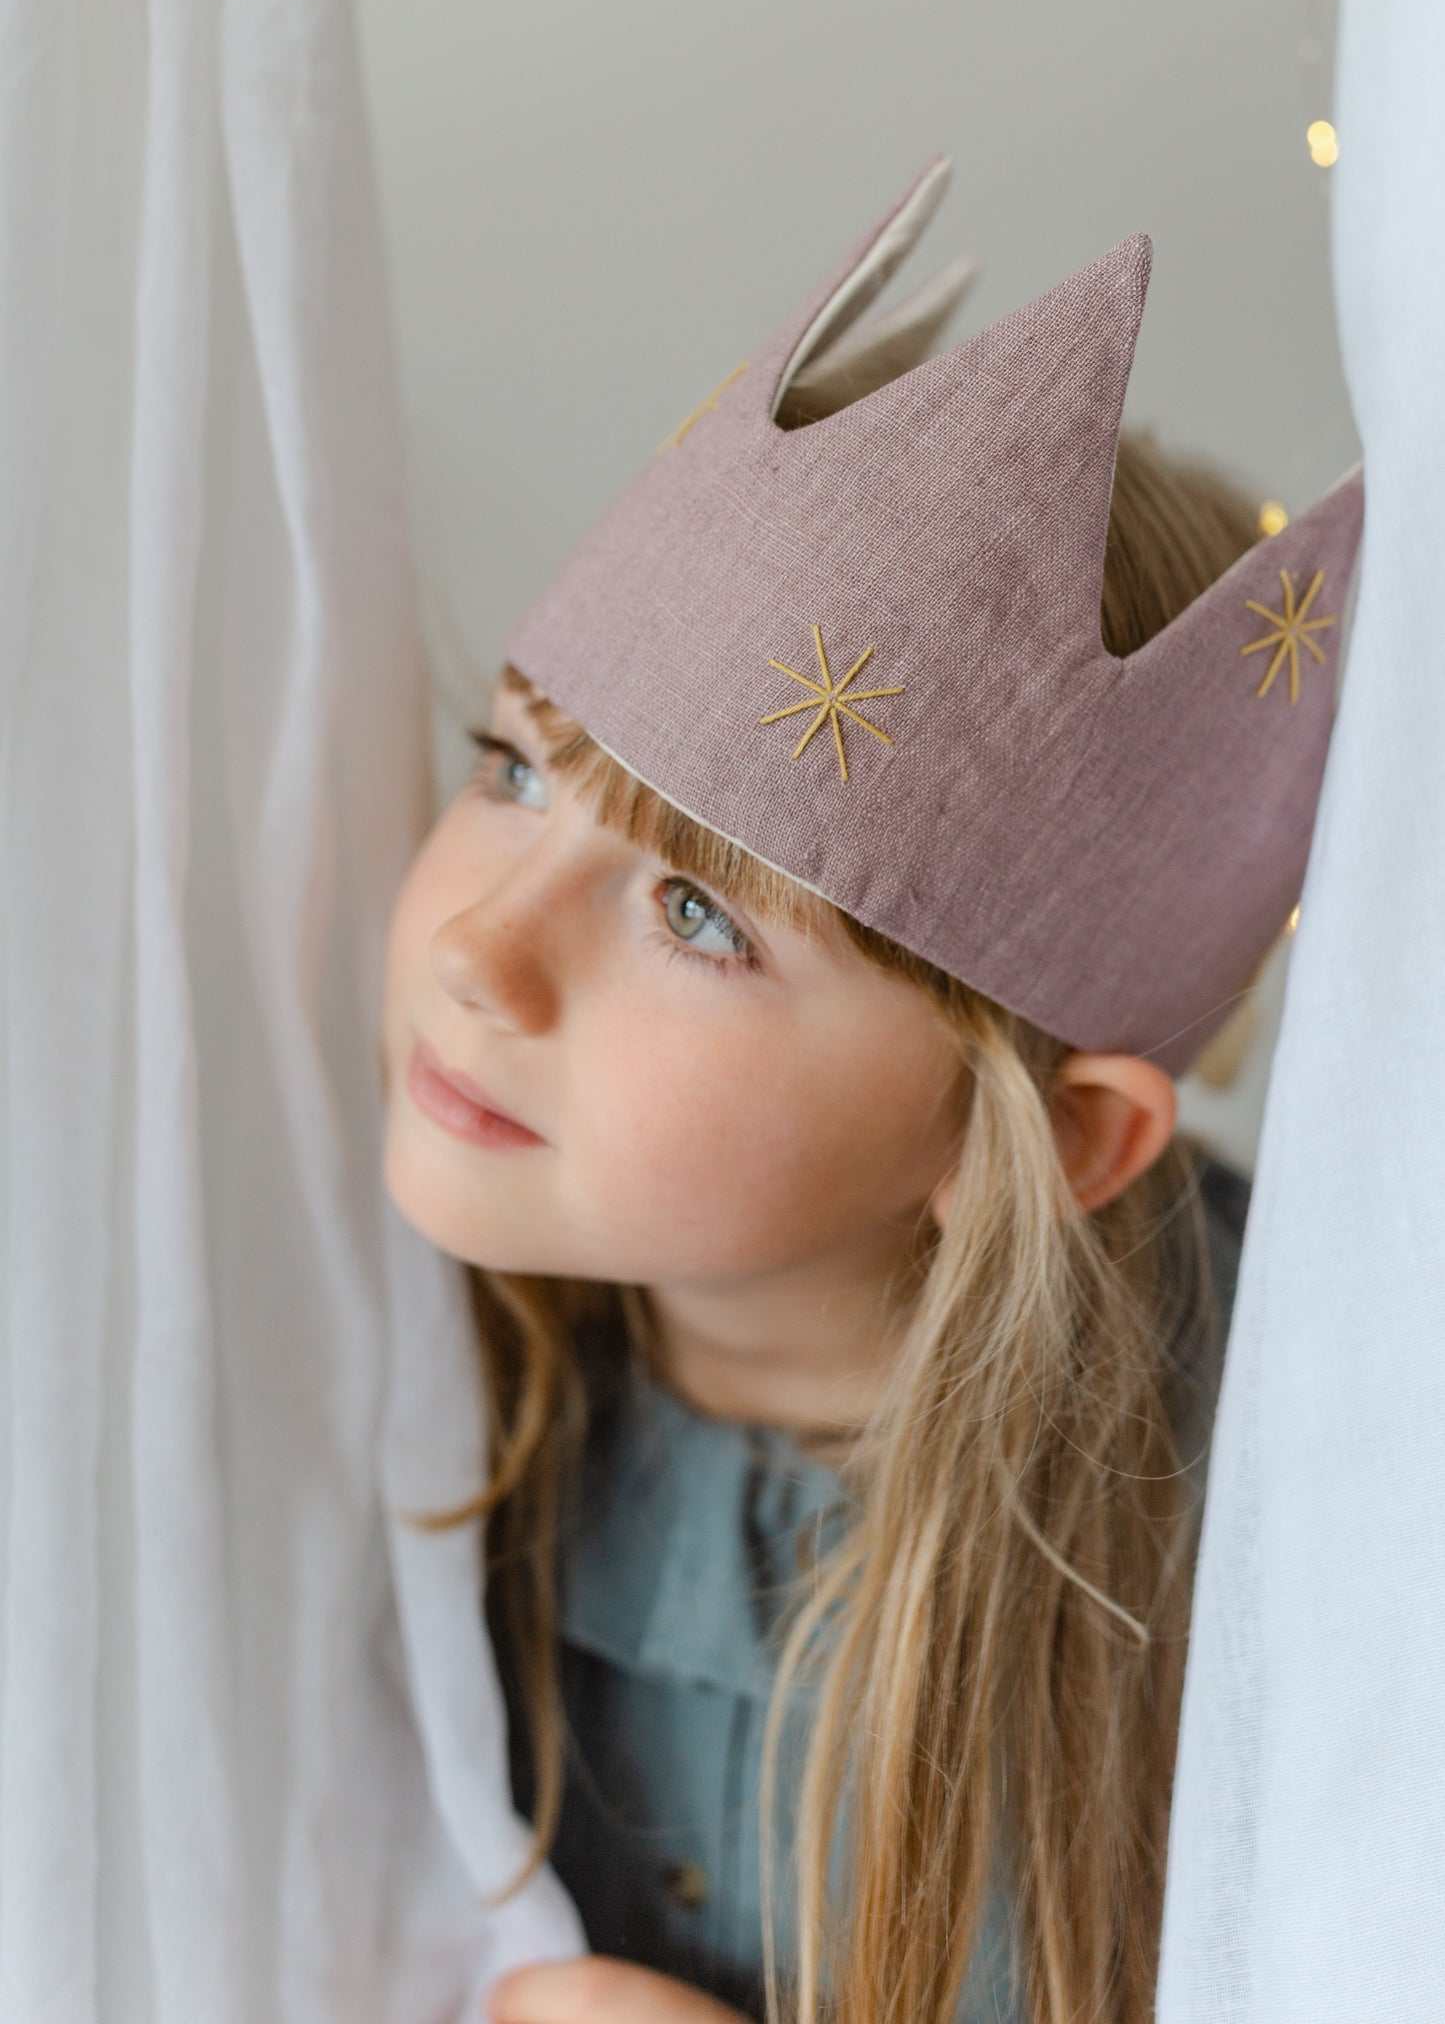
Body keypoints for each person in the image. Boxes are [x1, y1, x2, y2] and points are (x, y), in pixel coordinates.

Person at [378, 155, 1363, 2024]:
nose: (471, 955)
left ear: (1056, 1140)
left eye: (690, 910)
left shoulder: (1282, 1531)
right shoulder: (418, 1366)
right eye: (509, 768)